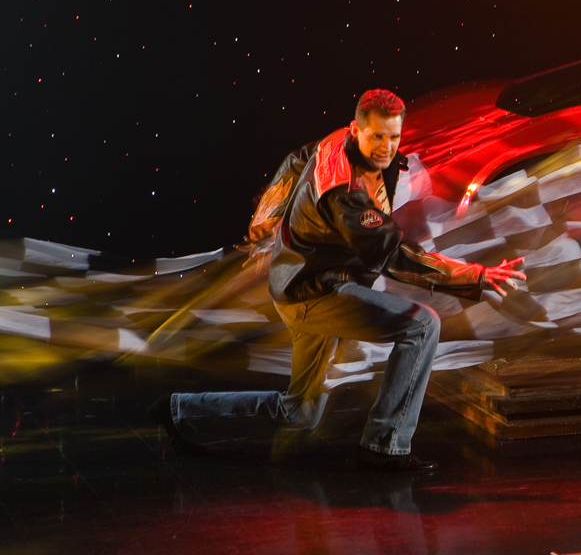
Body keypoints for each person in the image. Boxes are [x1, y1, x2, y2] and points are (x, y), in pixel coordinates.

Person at [148, 89, 525, 472]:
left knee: (300, 411)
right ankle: (384, 445)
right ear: (356, 130)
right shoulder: (345, 194)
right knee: (422, 325)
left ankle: (178, 410)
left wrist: (269, 211)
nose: (386, 147)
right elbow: (391, 253)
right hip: (315, 291)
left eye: (393, 137)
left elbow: (298, 159)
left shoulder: (334, 142)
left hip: (303, 282)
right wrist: (476, 275)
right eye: (377, 136)